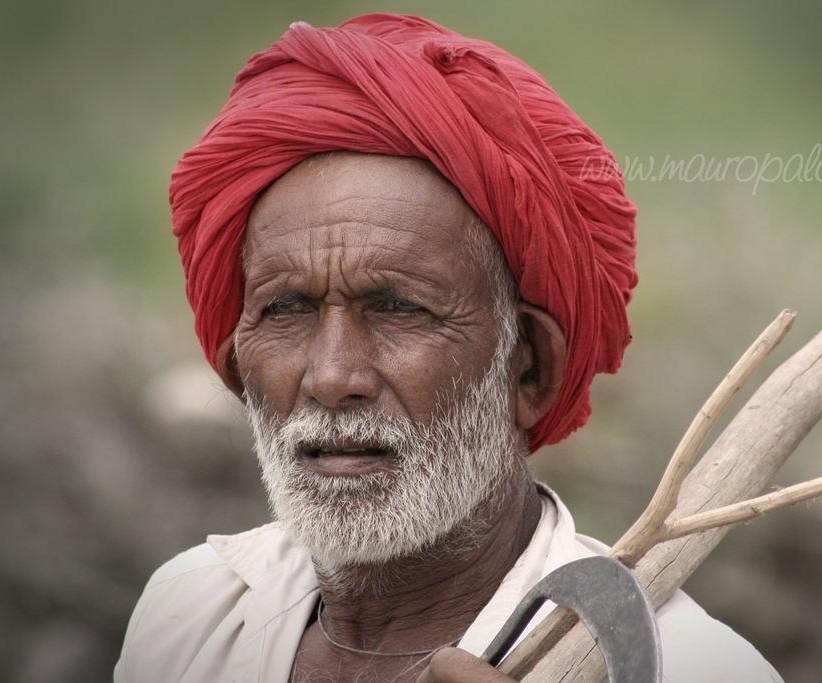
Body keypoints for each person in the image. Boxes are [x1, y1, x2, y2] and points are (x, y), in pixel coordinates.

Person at [115, 14, 782, 683]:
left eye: (399, 309)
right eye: (286, 309)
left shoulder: (697, 667)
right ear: (237, 369)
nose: (331, 375)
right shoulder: (190, 616)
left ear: (530, 368)